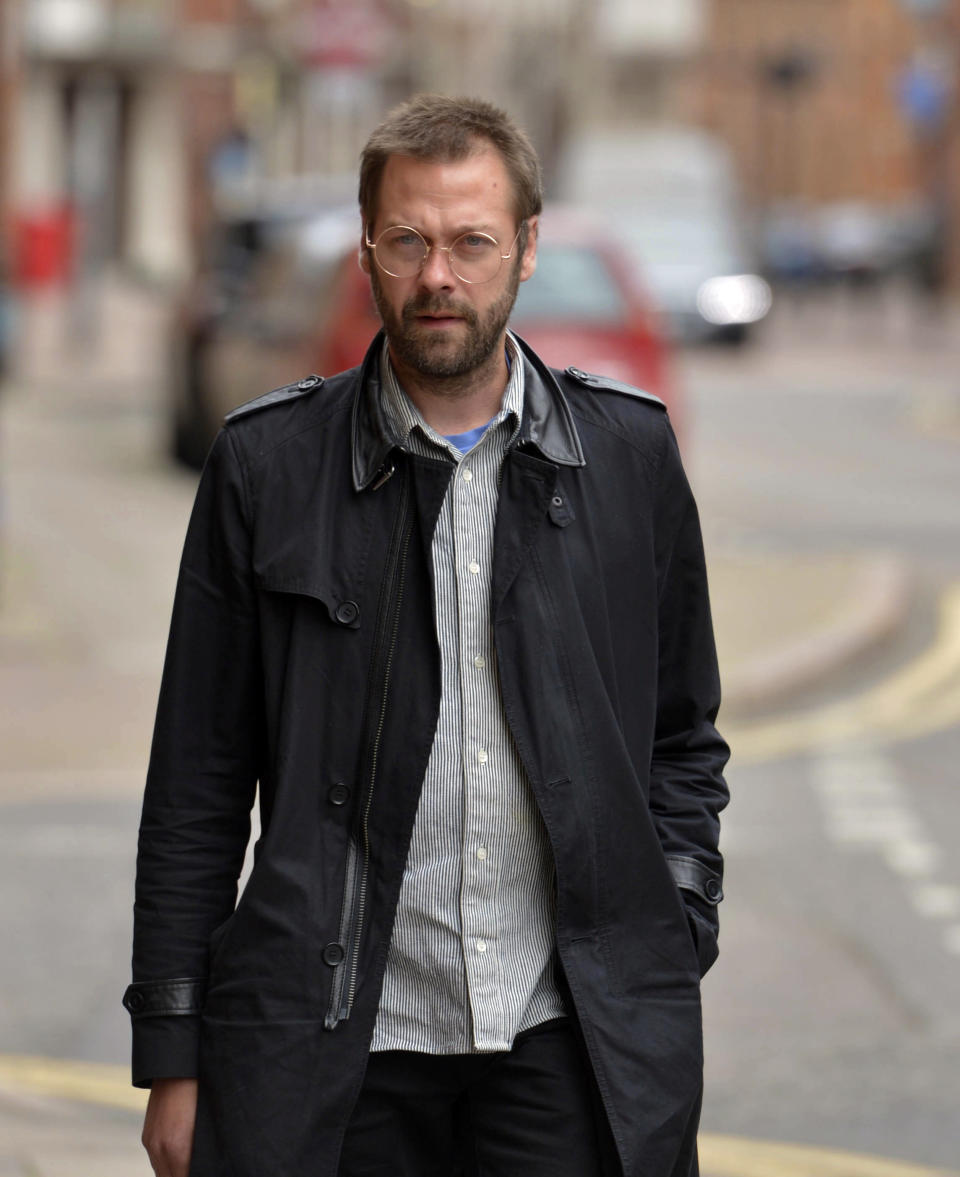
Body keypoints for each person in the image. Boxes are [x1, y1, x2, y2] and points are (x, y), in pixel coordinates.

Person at [124, 94, 729, 1177]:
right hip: (333, 1044)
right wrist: (175, 1049)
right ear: (367, 249)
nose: (437, 276)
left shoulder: (631, 459)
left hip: (568, 1039)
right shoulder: (266, 469)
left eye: (470, 242)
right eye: (407, 241)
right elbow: (196, 784)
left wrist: (675, 914)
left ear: (527, 249)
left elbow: (684, 735)